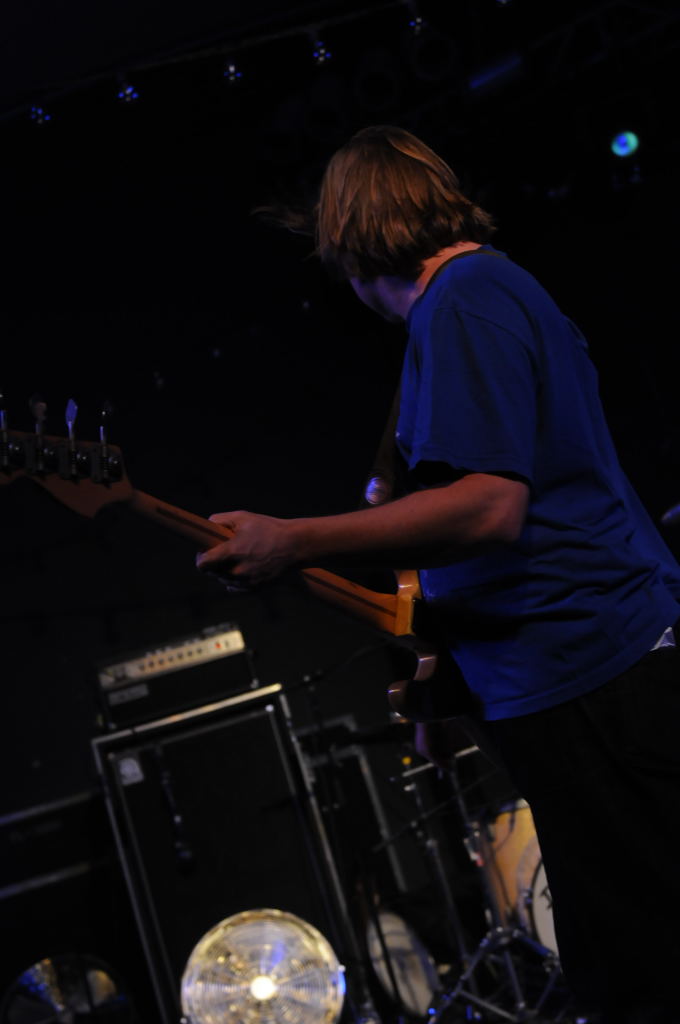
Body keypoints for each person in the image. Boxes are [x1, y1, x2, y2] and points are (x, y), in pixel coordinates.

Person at [197, 125, 680, 1022]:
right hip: (575, 679)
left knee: (644, 971)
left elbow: (490, 509)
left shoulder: (464, 300)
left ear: (347, 239)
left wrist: (296, 539)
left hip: (592, 675)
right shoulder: (476, 299)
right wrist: (433, 678)